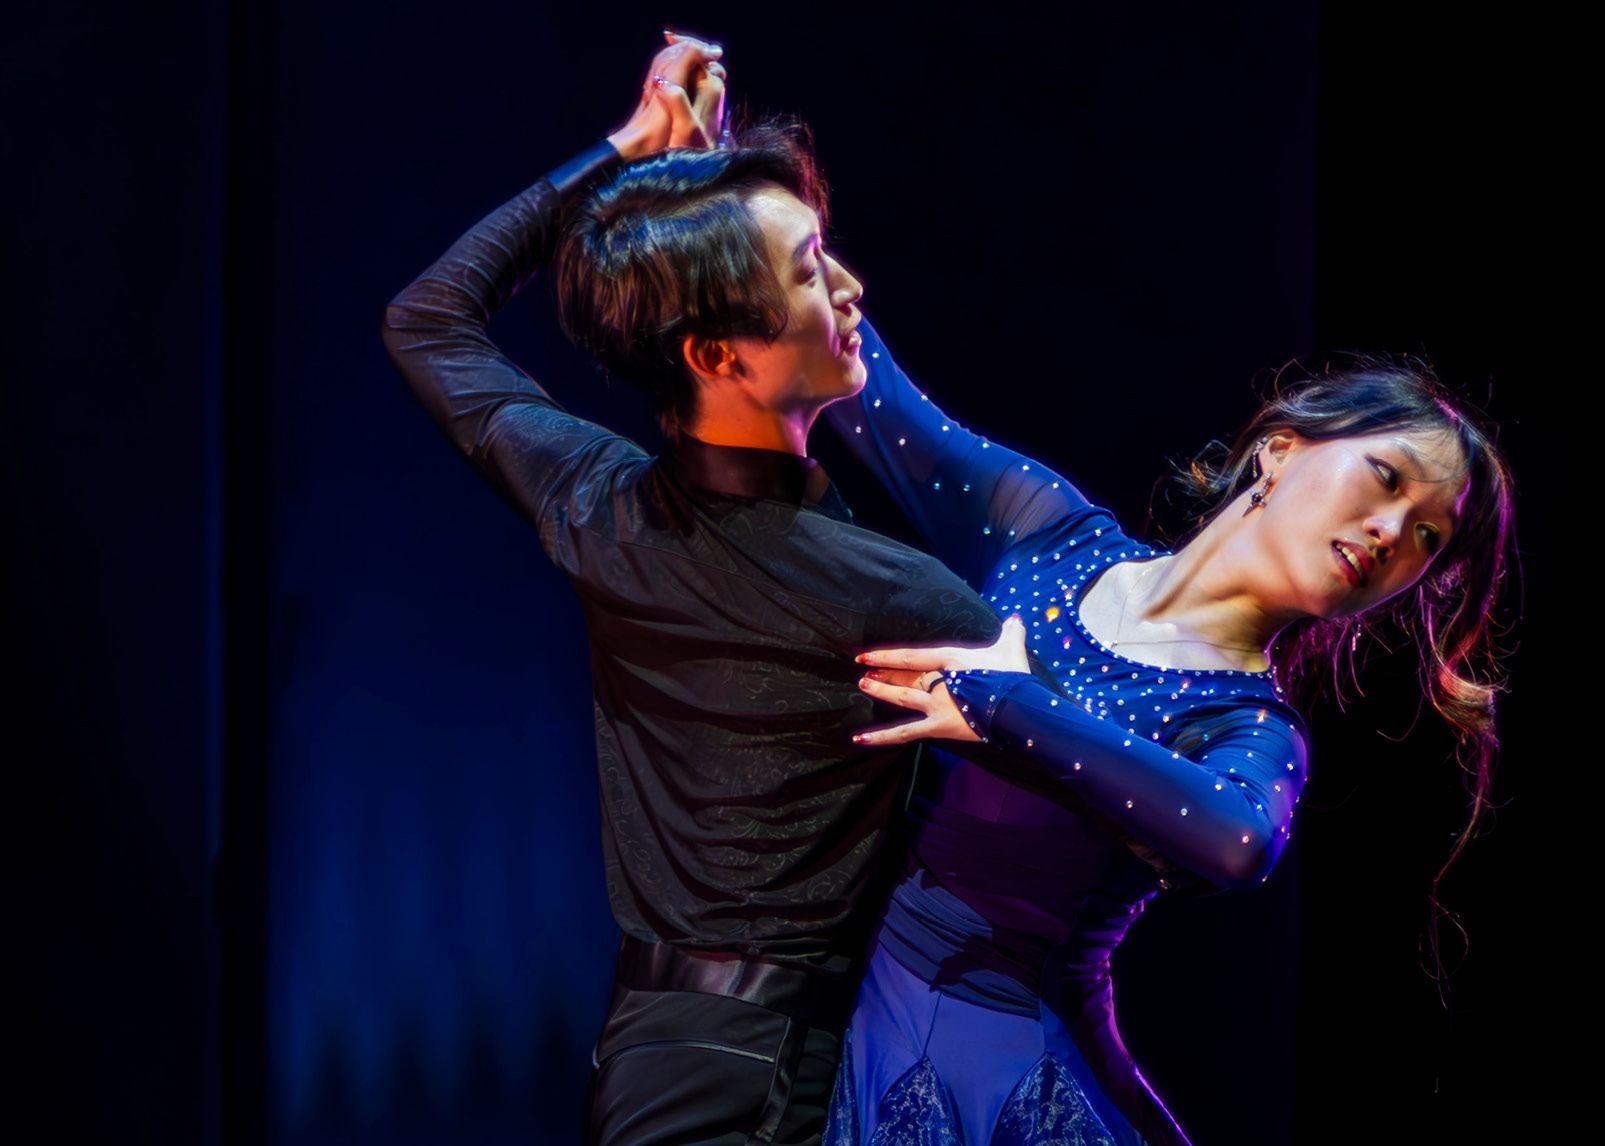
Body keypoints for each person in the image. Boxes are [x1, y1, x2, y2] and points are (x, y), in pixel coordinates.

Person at [380, 37, 1003, 1146]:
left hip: (659, 1047)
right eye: (808, 271)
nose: (849, 287)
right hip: (753, 1077)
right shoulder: (894, 593)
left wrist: (629, 153)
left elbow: (427, 317)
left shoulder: (597, 505)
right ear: (718, 356)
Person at [812, 327, 1513, 1144]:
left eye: (1426, 537)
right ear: (1280, 452)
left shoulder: (1246, 726)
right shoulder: (1048, 534)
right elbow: (865, 387)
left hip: (1013, 1090)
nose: (1391, 530)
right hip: (837, 998)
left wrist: (1005, 704)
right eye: (1385, 478)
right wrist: (804, 269)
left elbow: (1239, 841)